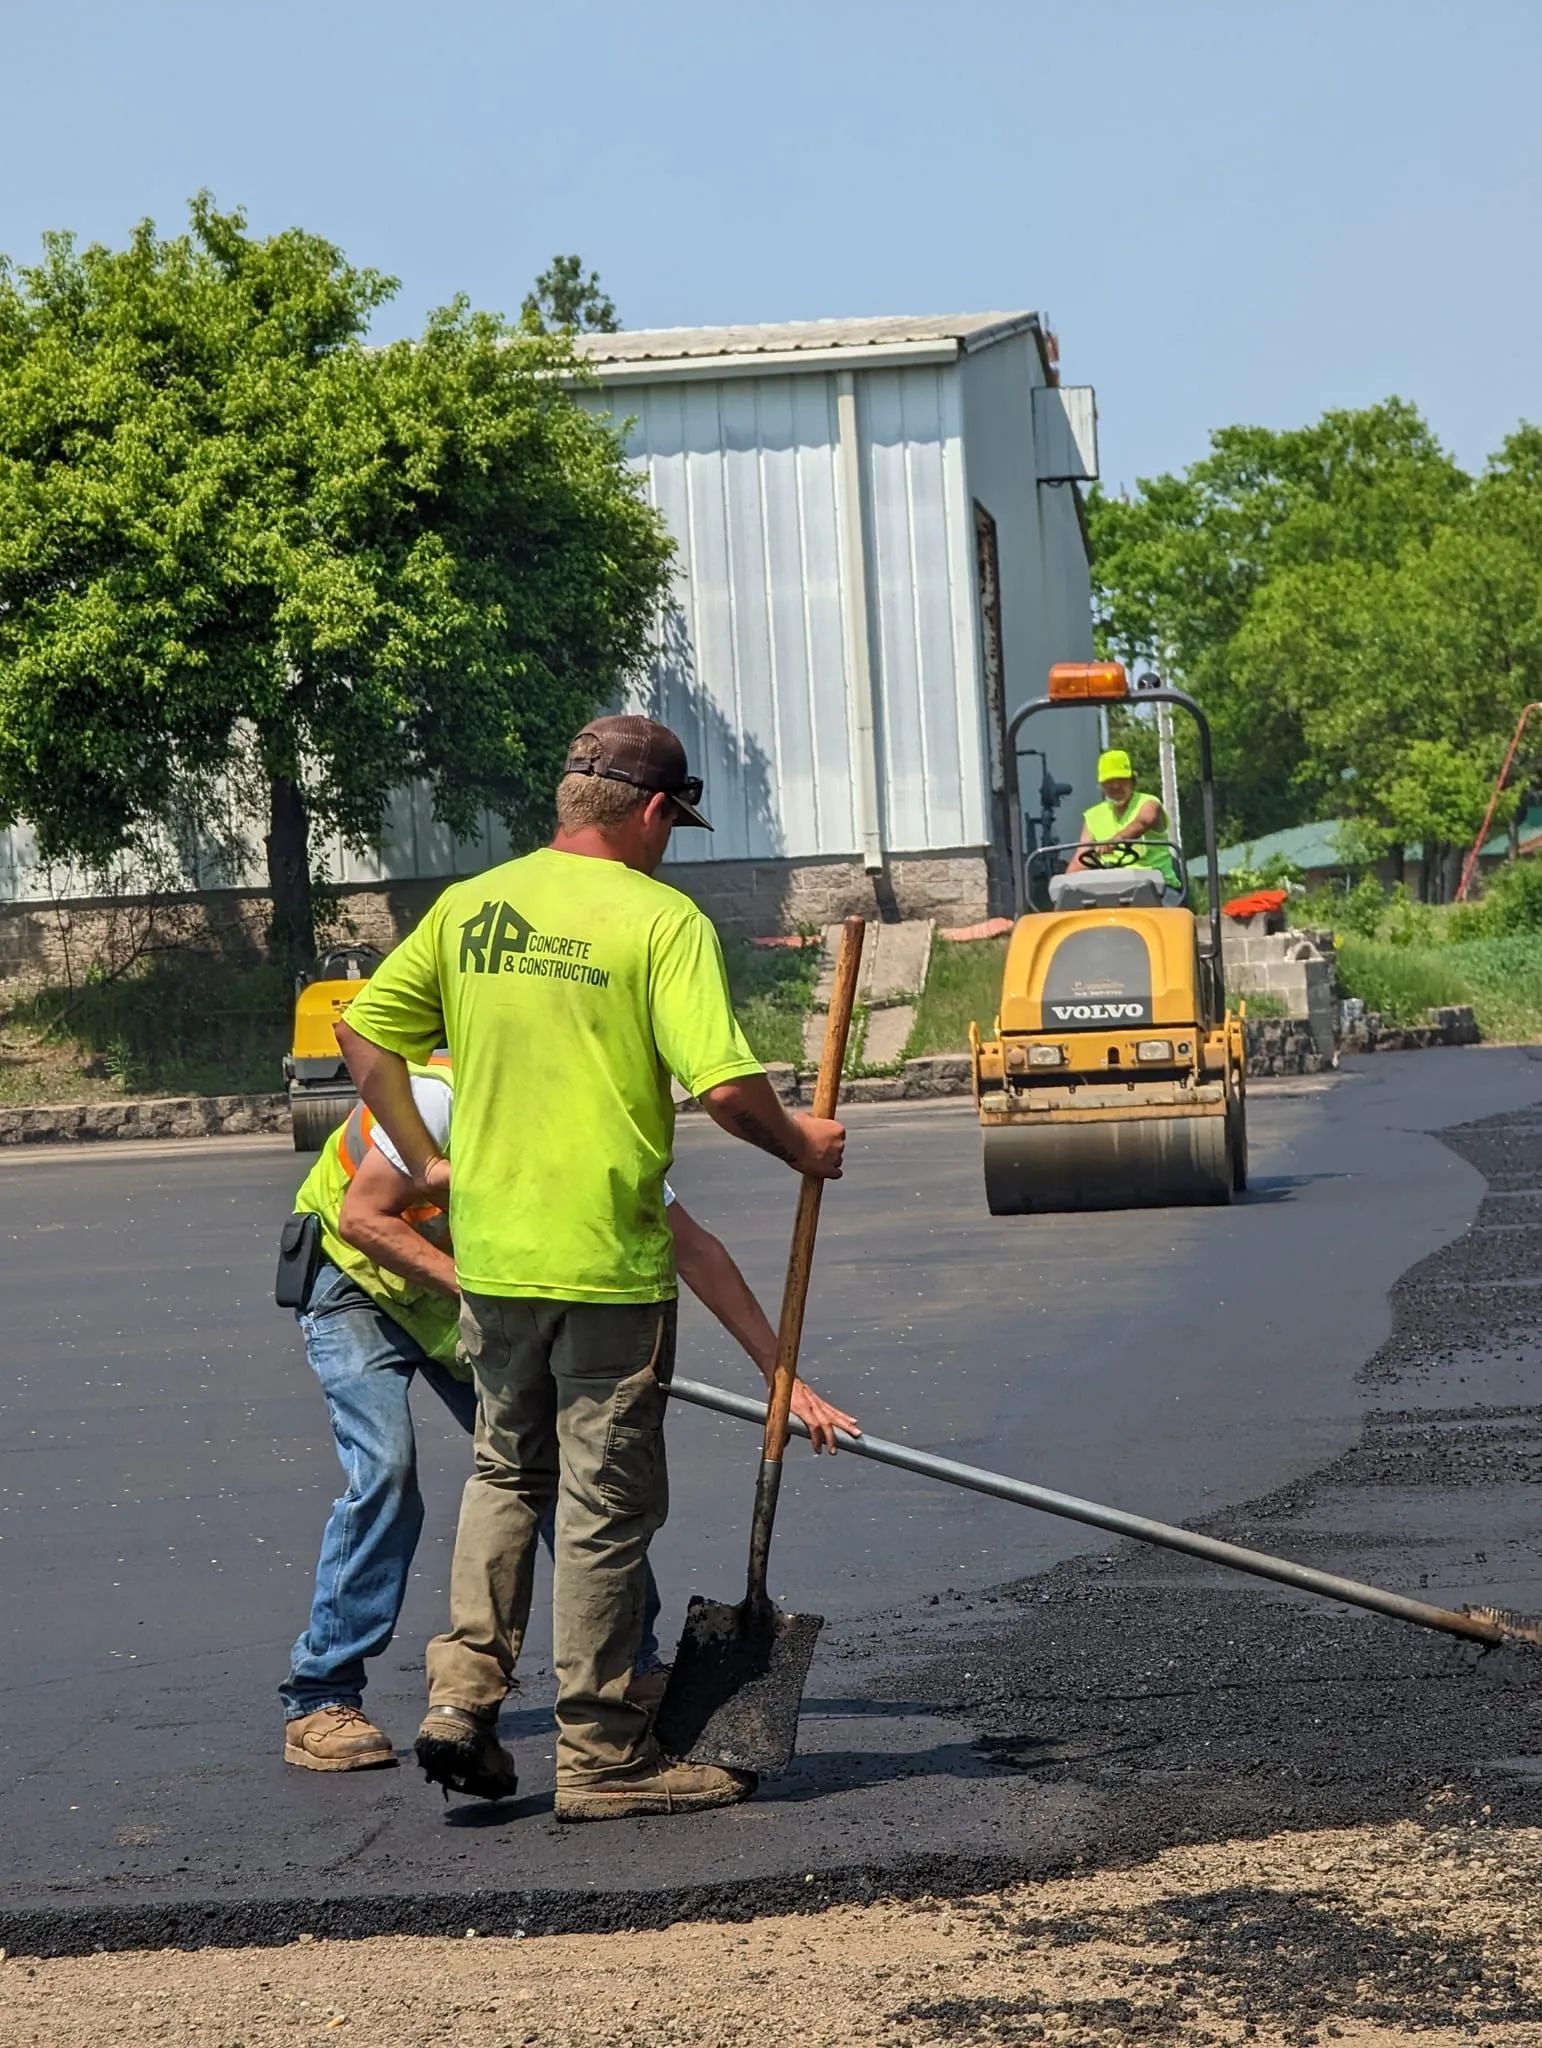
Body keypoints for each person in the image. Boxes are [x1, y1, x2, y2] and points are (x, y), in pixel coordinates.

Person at [336, 714, 850, 1824]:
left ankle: (463, 1699)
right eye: (677, 824)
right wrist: (803, 1143)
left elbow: (365, 1035)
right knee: (606, 1506)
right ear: (656, 811)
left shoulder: (472, 907)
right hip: (608, 1265)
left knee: (503, 1474)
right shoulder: (660, 919)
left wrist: (425, 1161)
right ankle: (605, 1756)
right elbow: (722, 1088)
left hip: (495, 1258)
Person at [281, 1054, 858, 1773]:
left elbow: (699, 1253)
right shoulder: (439, 1101)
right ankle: (320, 1696)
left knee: (572, 1469)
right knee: (387, 1472)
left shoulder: (600, 1133)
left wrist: (783, 1377)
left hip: (476, 1293)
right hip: (357, 1280)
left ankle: (633, 1666)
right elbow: (363, 1217)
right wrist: (479, 1294)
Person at [1068, 748, 1182, 894]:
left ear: (1133, 781)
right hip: (1110, 890)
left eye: (1121, 780)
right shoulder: (1093, 816)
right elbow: (1082, 856)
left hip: (1157, 889)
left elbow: (1144, 822)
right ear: (1101, 785)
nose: (1115, 786)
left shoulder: (1149, 803)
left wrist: (1117, 840)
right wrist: (1065, 887)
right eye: (1109, 781)